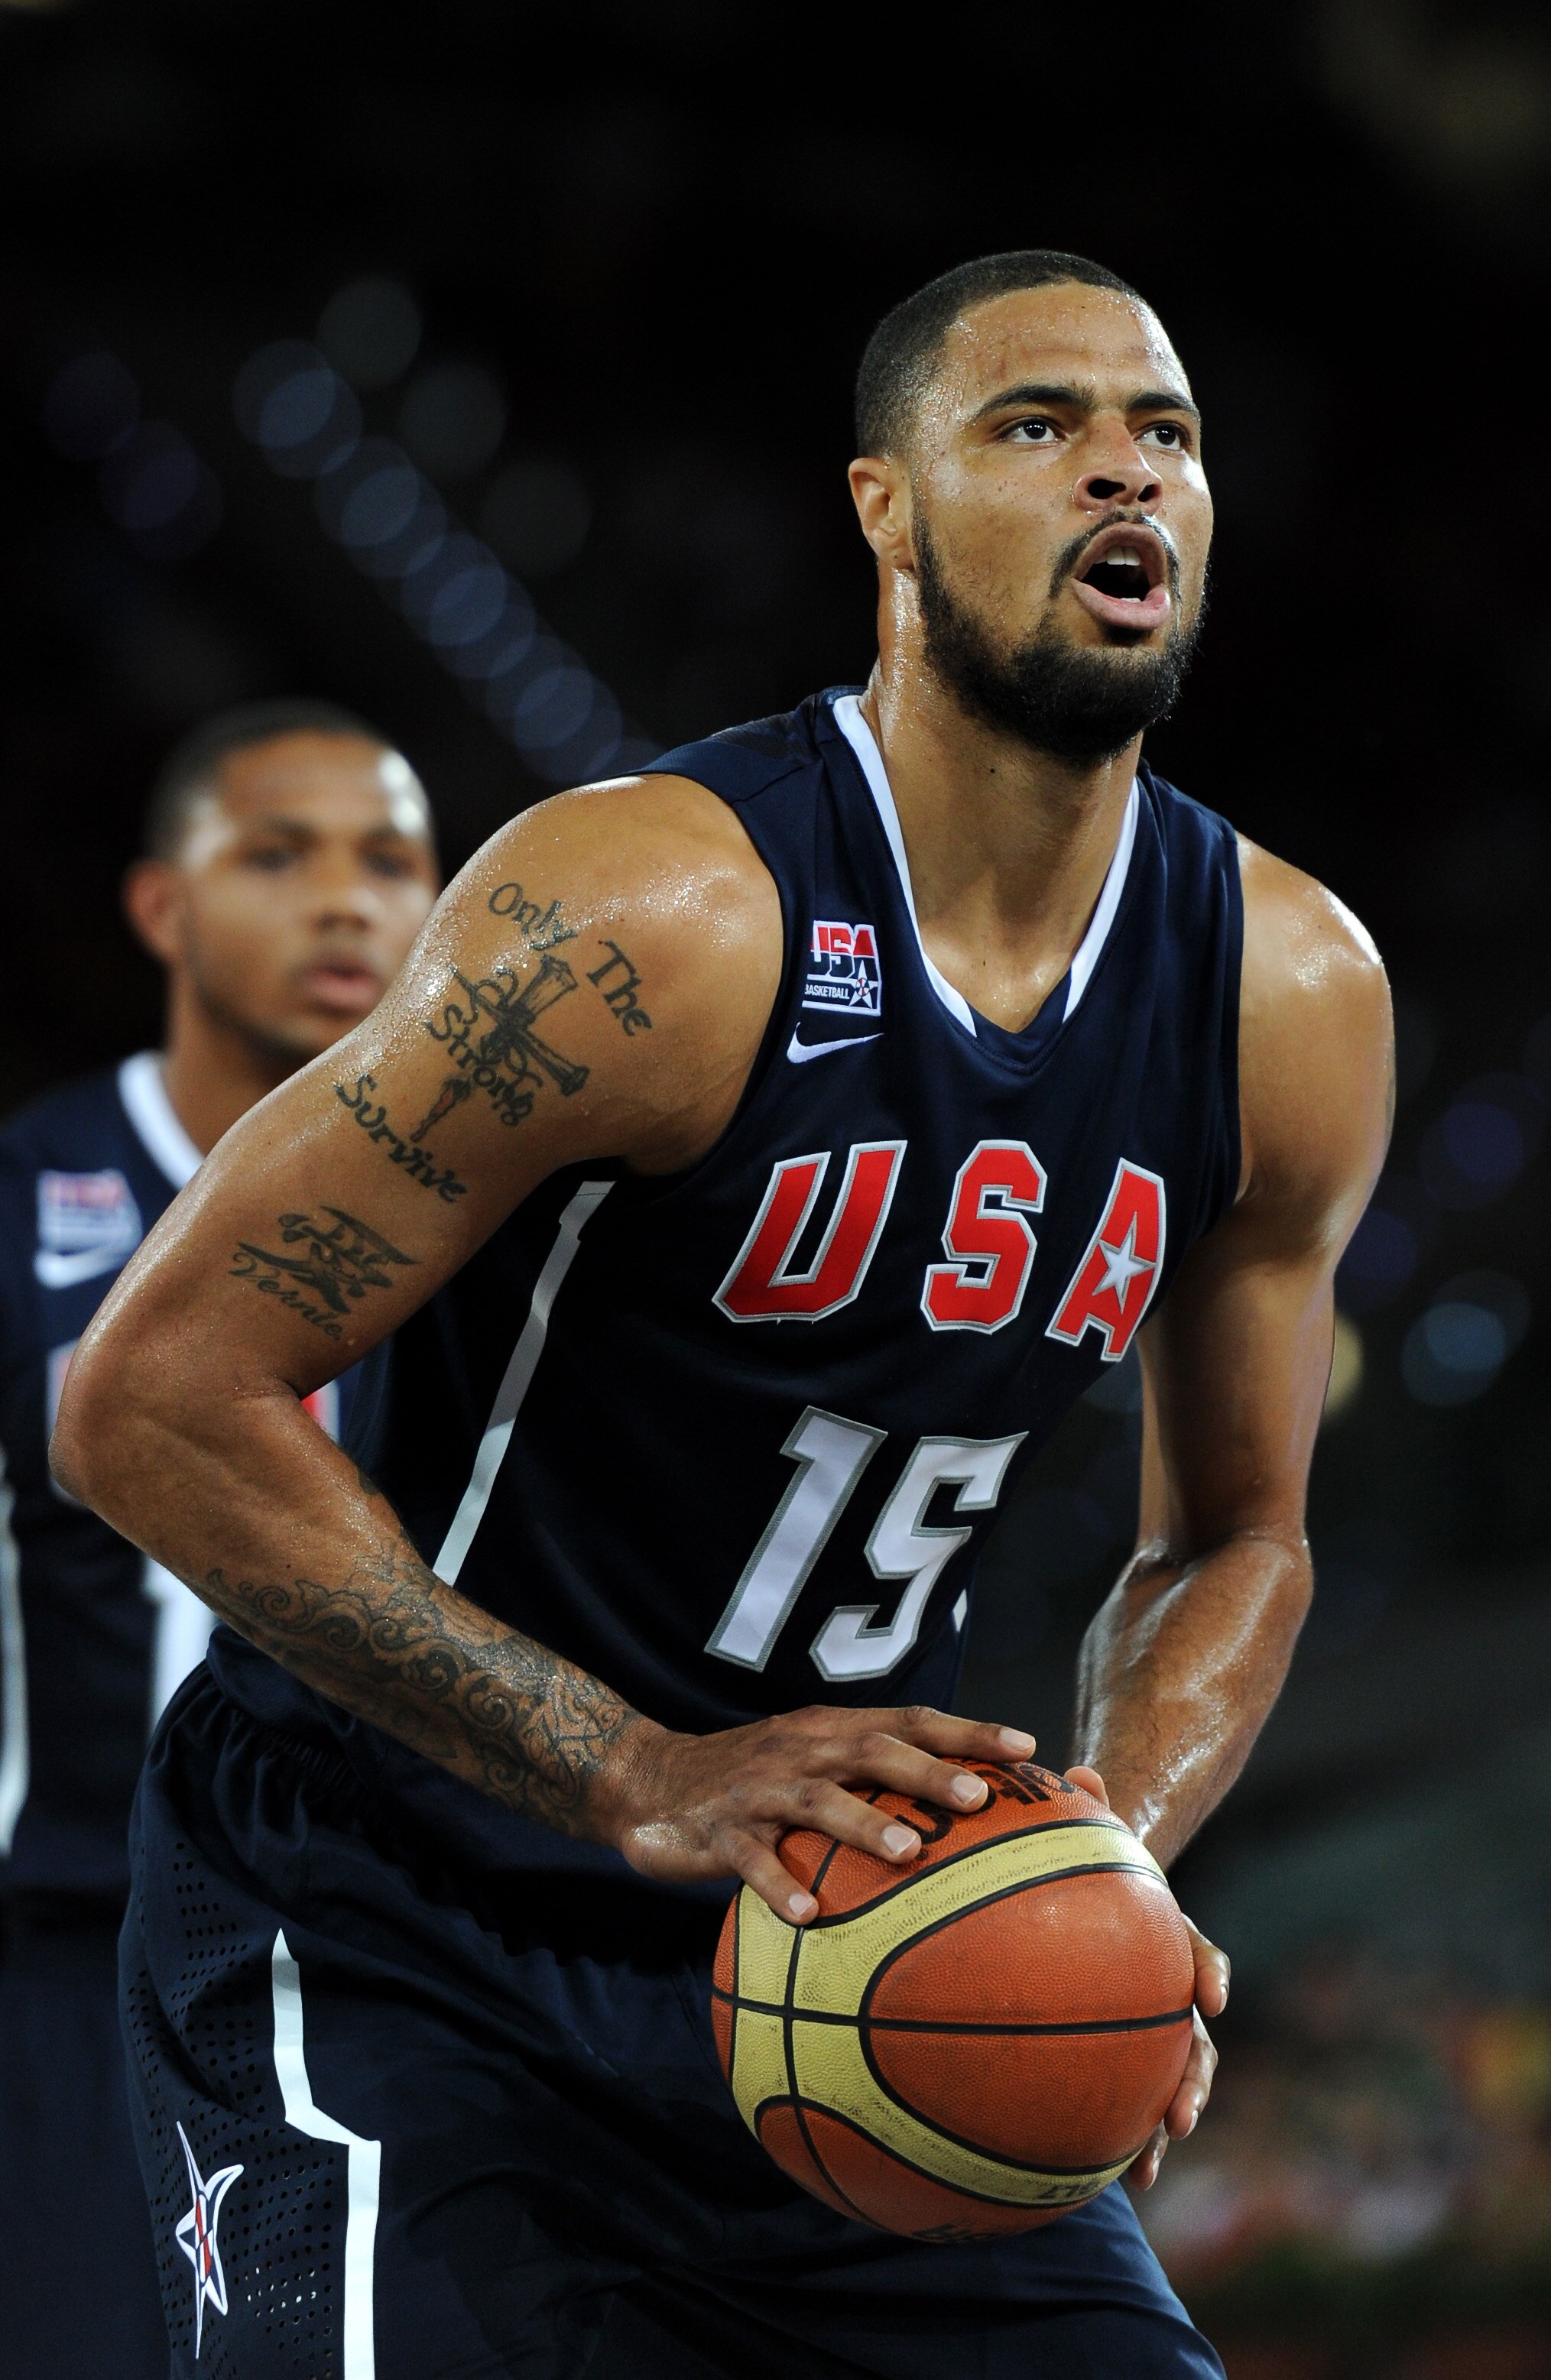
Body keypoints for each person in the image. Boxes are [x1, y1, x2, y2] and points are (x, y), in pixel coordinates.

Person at [55, 253, 1392, 2380]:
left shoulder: (1284, 1002)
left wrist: (1101, 1851)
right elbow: (149, 1400)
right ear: (881, 508)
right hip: (403, 1917)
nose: (1120, 471)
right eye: (1032, 427)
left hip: (837, 1962)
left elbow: (1232, 1535)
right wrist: (629, 1768)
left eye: (1162, 431)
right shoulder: (653, 920)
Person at [0, 699, 439, 2379]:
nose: (346, 903)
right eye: (279, 856)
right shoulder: (28, 1197)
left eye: (392, 862)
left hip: (384, 1967)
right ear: (162, 909)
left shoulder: (509, 1235)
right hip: (73, 1965)